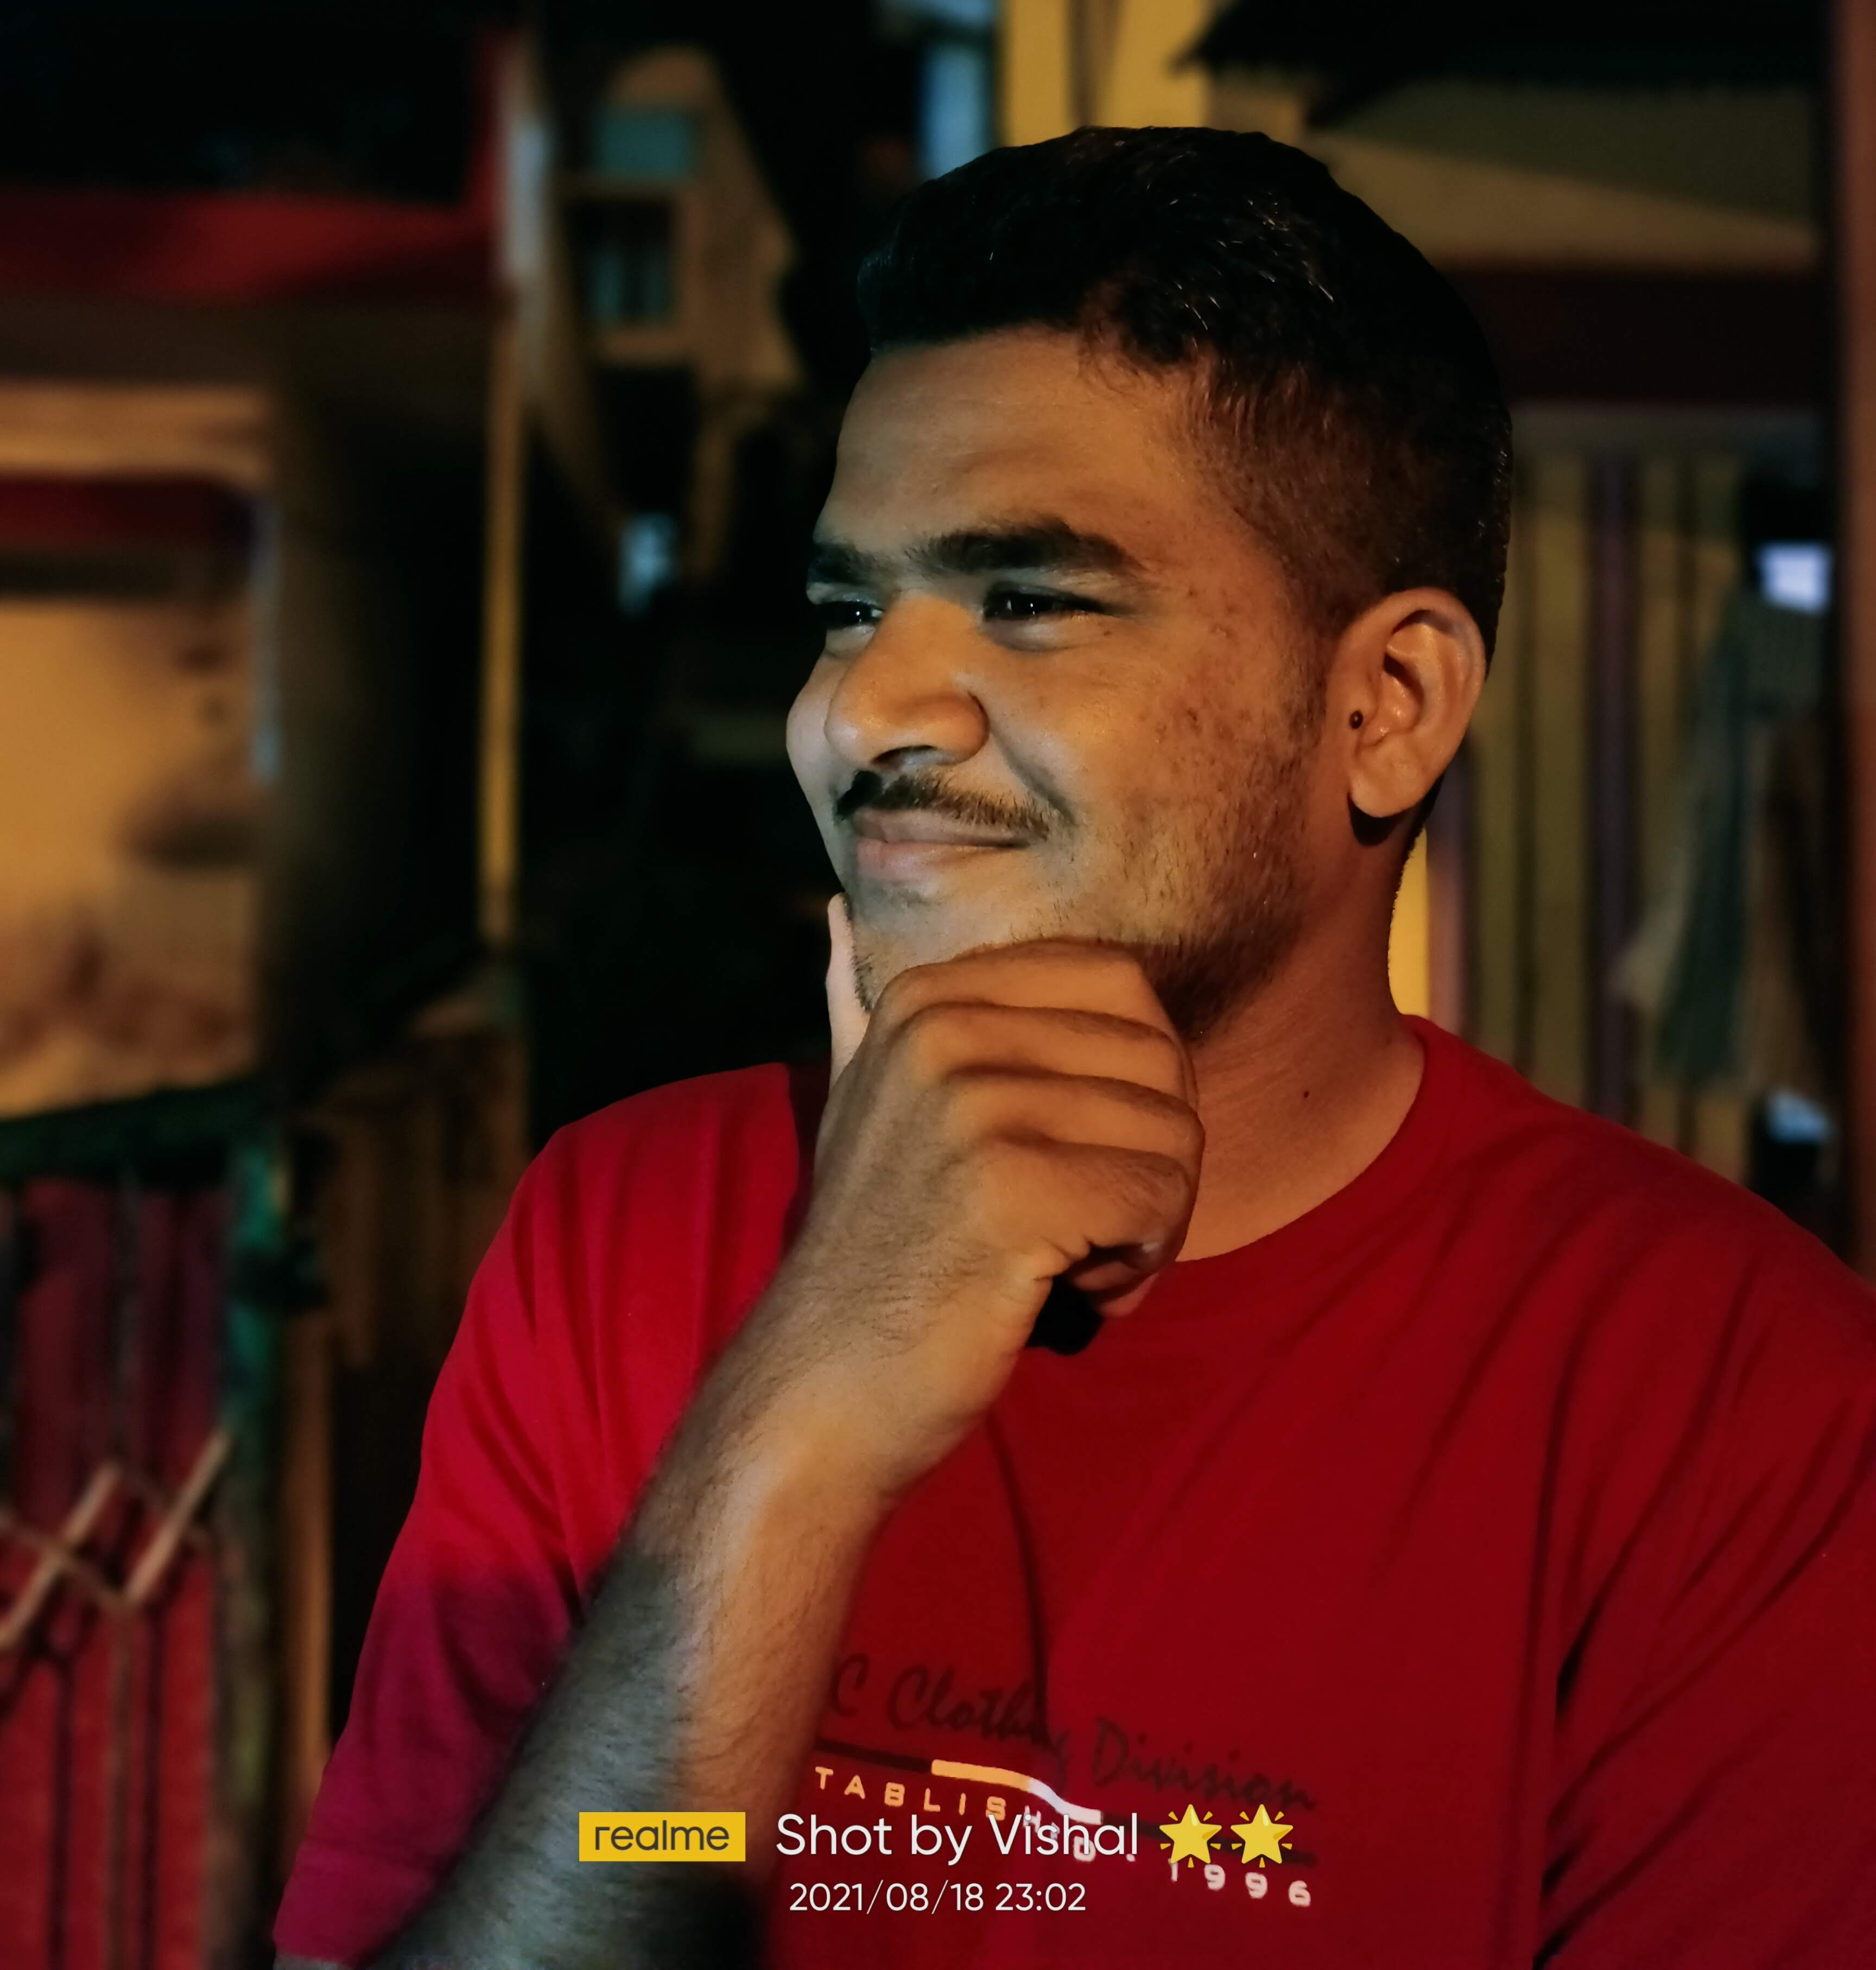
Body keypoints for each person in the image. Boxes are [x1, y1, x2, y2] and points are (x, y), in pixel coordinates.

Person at [277, 129, 1876, 1970]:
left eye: (1030, 599)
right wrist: (797, 1423)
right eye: (848, 609)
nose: (859, 710)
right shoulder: (628, 1231)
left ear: (1387, 706)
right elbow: (588, 1875)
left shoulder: (1727, 1405)